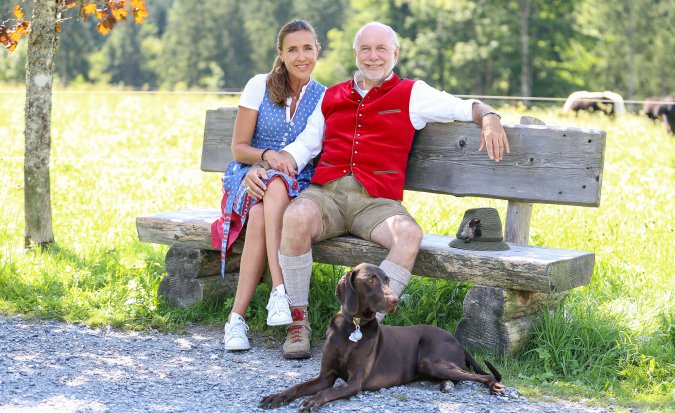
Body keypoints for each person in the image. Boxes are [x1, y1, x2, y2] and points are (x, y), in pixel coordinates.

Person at [245, 22, 511, 359]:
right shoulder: (332, 95)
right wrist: (269, 164)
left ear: (395, 54)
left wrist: (488, 116)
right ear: (355, 54)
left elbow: (461, 107)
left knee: (409, 235)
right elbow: (304, 147)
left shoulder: (413, 94)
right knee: (295, 216)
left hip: (376, 202)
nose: (373, 57)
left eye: (381, 49)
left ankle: (365, 329)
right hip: (327, 194)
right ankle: (298, 323)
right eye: (366, 49)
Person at [210, 20, 326, 351]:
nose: (301, 56)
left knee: (264, 210)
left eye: (307, 48)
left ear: (317, 49)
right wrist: (264, 158)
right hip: (247, 175)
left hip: (293, 182)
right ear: (281, 53)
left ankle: (236, 319)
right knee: (271, 185)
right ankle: (279, 291)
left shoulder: (323, 97)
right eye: (292, 49)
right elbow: (238, 148)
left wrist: (276, 166)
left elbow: (308, 150)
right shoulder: (259, 85)